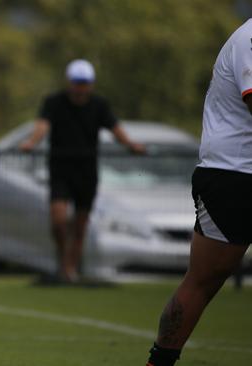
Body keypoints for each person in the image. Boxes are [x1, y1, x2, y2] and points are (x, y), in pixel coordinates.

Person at [145, 20, 252, 366]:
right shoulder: (250, 37)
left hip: (232, 174)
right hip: (234, 173)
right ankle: (158, 363)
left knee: (202, 281)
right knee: (204, 280)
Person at [20, 59, 145, 283]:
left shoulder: (99, 105)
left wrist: (131, 145)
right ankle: (63, 258)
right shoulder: (54, 102)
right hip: (60, 169)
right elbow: (43, 125)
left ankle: (69, 270)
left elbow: (115, 128)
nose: (81, 88)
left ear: (91, 84)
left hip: (87, 172)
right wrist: (32, 142)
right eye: (77, 83)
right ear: (70, 83)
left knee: (80, 225)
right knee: (58, 220)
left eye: (85, 83)